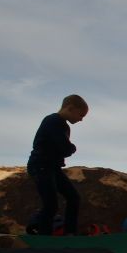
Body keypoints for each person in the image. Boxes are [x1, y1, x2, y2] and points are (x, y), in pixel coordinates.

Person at [26, 94, 89, 235]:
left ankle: (70, 233)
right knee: (51, 204)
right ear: (70, 108)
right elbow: (64, 147)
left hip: (52, 167)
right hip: (40, 165)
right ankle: (44, 236)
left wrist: (67, 149)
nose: (81, 119)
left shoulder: (63, 125)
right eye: (81, 115)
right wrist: (71, 148)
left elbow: (62, 148)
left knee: (73, 197)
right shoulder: (53, 121)